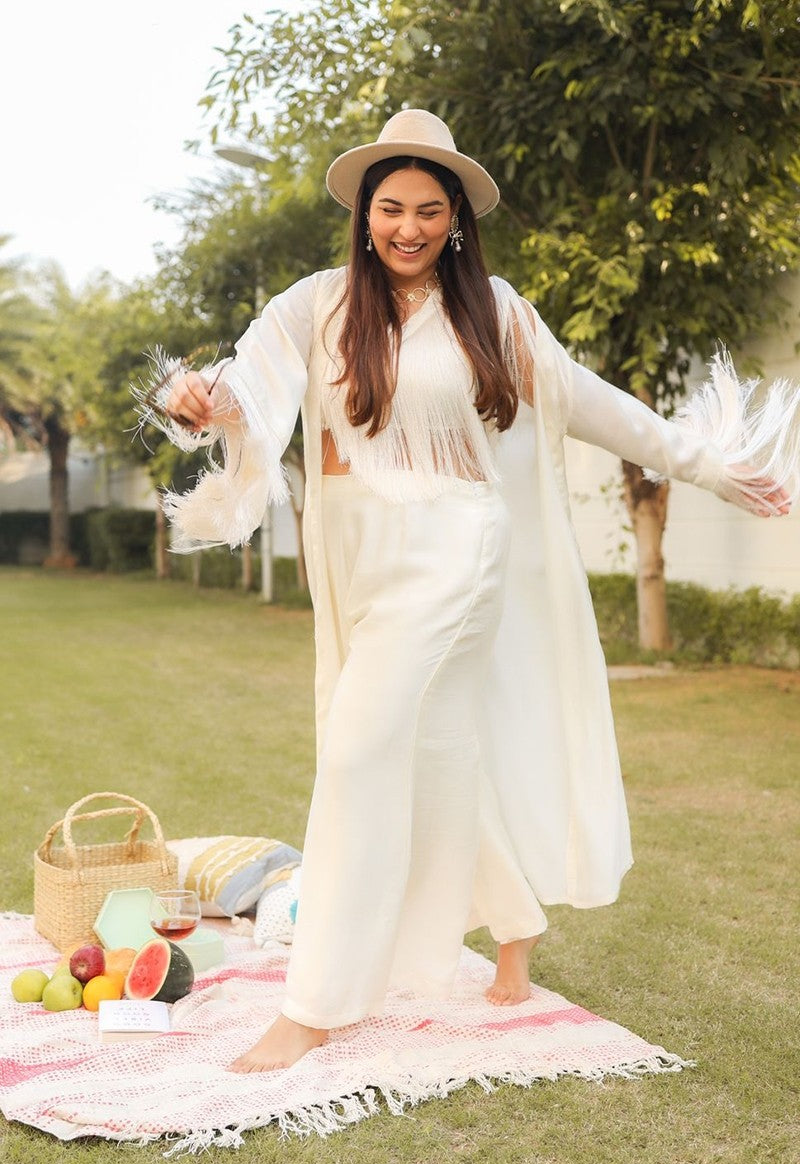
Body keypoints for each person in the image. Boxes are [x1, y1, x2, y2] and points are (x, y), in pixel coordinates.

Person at [141, 110, 798, 1073]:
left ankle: (317, 1003)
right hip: (359, 556)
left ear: (457, 221)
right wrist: (191, 399)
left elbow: (594, 404)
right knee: (437, 754)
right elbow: (244, 386)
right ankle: (514, 932)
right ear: (366, 214)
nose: (408, 227)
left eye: (430, 211)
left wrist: (711, 464)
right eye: (392, 208)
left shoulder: (495, 310)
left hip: (458, 545)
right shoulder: (315, 304)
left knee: (361, 749)